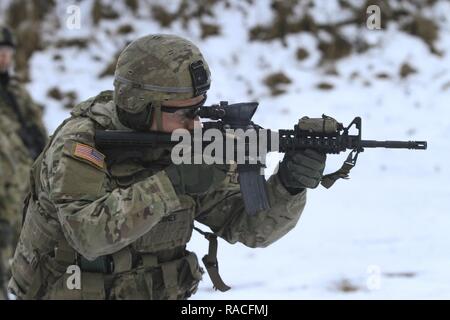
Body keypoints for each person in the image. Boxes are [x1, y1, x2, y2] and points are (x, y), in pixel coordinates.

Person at [8, 34, 326, 300]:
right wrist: (173, 184)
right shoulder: (80, 145)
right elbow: (88, 235)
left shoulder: (184, 144)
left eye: (199, 110)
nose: (196, 123)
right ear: (139, 106)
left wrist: (289, 184)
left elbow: (249, 227)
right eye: (184, 113)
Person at [0, 26, 47, 300]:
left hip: (24, 194)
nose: (3, 59)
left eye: (7, 53)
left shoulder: (17, 93)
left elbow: (39, 137)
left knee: (27, 264)